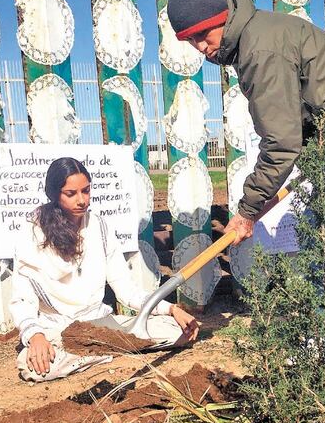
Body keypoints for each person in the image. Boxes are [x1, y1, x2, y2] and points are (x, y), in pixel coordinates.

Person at [166, 0, 325, 247]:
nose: (200, 47)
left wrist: (247, 211)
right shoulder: (254, 36)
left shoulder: (260, 50)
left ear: (221, 18)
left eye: (202, 34)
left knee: (322, 236)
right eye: (190, 40)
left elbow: (281, 142)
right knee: (322, 233)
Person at [10, 157, 199, 382]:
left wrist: (171, 310)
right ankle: (105, 351)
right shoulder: (33, 232)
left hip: (99, 324)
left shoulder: (98, 226)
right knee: (34, 367)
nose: (81, 200)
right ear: (54, 194)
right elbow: (22, 299)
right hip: (57, 330)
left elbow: (127, 291)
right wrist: (36, 336)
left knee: (178, 331)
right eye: (71, 194)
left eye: (86, 191)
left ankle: (96, 352)